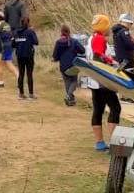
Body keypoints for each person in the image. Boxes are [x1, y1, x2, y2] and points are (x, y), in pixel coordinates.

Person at [88, 14, 121, 151]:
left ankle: (100, 143)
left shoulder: (92, 38)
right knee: (115, 108)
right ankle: (114, 143)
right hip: (103, 80)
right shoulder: (99, 39)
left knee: (98, 110)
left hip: (93, 79)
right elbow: (98, 55)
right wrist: (111, 61)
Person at [52, 24, 85, 106]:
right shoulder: (74, 41)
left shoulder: (58, 42)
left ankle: (70, 100)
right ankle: (69, 96)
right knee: (74, 81)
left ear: (61, 32)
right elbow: (82, 50)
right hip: (73, 65)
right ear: (69, 32)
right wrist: (76, 51)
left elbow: (55, 56)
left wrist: (57, 58)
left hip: (63, 66)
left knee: (67, 82)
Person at [12, 16, 39, 99]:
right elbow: (36, 42)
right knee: (29, 74)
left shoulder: (16, 32)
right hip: (29, 55)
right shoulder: (30, 32)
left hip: (20, 55)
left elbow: (13, 44)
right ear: (28, 23)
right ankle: (31, 94)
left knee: (21, 74)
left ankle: (21, 93)